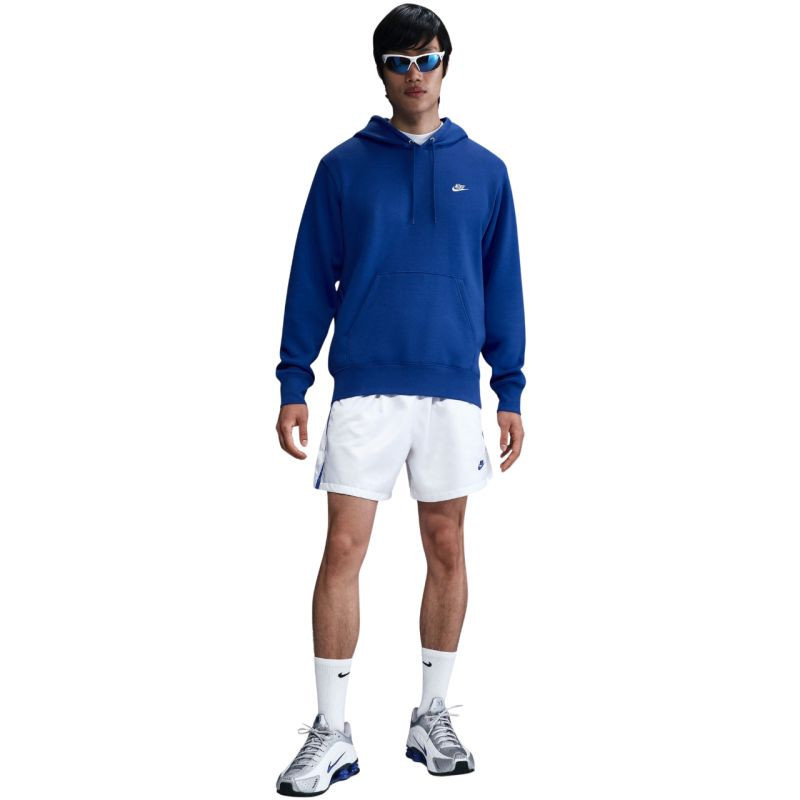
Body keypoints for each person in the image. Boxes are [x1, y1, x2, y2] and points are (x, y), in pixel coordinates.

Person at [274, 4, 525, 794]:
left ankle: (431, 714)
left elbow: (503, 285)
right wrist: (293, 379)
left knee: (447, 546)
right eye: (399, 62)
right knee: (344, 549)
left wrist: (510, 386)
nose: (415, 75)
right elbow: (310, 278)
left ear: (447, 63)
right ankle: (330, 731)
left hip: (451, 391)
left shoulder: (486, 171)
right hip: (364, 389)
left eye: (427, 59)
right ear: (381, 71)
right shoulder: (342, 168)